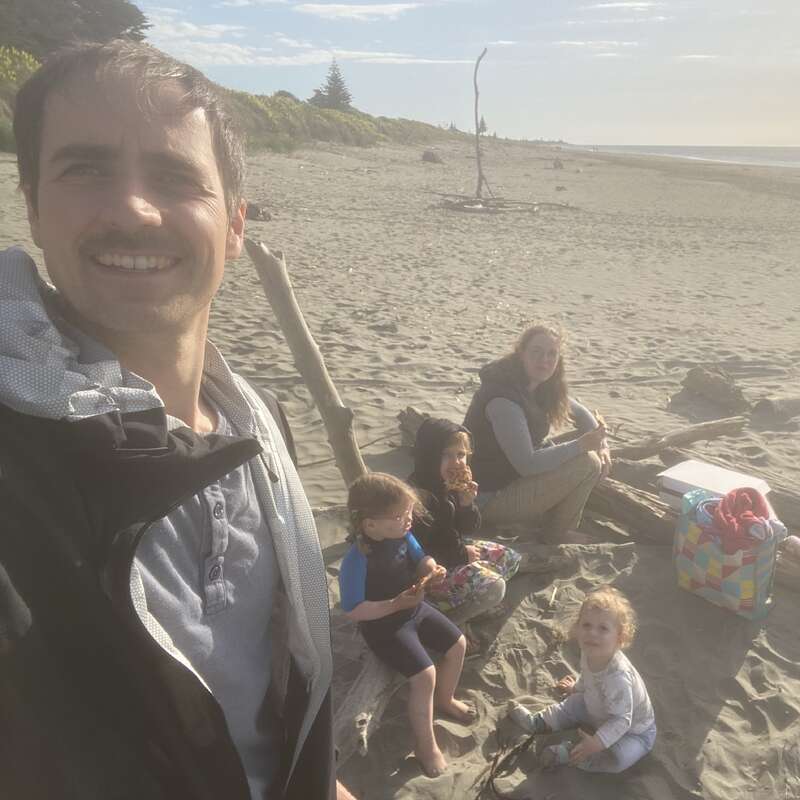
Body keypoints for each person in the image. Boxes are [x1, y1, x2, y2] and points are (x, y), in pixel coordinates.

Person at [0, 40, 351, 800]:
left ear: (234, 225)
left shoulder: (260, 429)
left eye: (175, 177)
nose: (131, 208)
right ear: (33, 204)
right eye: (85, 169)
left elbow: (268, 698)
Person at [339, 473, 475, 777]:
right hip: (383, 626)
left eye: (409, 513)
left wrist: (431, 568)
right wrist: (394, 605)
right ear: (369, 524)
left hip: (414, 609)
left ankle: (446, 699)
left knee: (457, 644)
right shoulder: (356, 560)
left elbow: (420, 558)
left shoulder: (402, 536)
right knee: (425, 675)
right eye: (399, 516)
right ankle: (426, 747)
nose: (408, 520)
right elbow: (353, 610)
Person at [463, 323, 610, 543]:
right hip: (486, 497)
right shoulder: (504, 399)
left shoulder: (538, 385)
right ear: (521, 353)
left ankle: (551, 518)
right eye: (536, 352)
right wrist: (584, 445)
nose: (545, 360)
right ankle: (557, 532)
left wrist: (603, 445)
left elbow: (580, 412)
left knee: (582, 448)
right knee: (587, 462)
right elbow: (527, 464)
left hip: (509, 478)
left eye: (552, 354)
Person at [507, 587, 656, 773]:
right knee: (572, 703)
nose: (592, 633)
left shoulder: (618, 677)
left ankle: (572, 755)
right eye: (586, 625)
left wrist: (597, 742)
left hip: (633, 732)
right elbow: (588, 678)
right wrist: (576, 688)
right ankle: (538, 721)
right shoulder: (590, 652)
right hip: (598, 709)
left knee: (618, 759)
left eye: (603, 628)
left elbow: (621, 720)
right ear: (577, 628)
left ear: (620, 637)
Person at [408, 417, 522, 627]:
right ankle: (450, 622)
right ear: (429, 455)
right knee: (496, 587)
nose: (457, 462)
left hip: (454, 551)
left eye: (461, 455)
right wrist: (461, 554)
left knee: (510, 558)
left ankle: (469, 603)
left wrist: (466, 505)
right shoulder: (419, 496)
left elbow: (468, 529)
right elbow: (421, 550)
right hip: (431, 573)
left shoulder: (450, 485)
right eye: (447, 455)